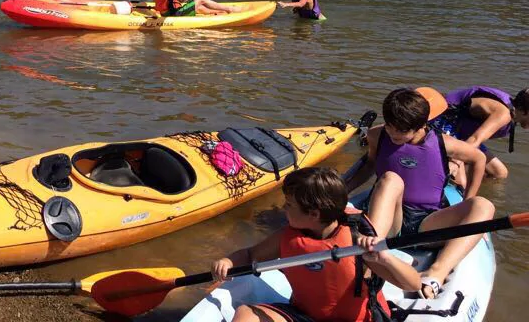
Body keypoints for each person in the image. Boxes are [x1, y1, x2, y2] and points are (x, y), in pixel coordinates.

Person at [211, 167, 421, 322]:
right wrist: (228, 261)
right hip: (306, 316)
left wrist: (385, 258)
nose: (284, 208)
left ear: (313, 214)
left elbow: (413, 284)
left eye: (290, 205)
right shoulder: (288, 237)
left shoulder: (356, 241)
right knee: (245, 315)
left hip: (354, 320)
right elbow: (249, 255)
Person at [348, 88, 494, 298]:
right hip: (390, 220)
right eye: (390, 127)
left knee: (484, 205)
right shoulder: (377, 135)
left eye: (401, 130)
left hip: (427, 222)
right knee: (390, 179)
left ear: (421, 125)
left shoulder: (444, 143)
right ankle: (372, 253)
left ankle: (437, 271)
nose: (393, 134)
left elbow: (478, 159)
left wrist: (467, 199)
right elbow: (370, 165)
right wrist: (345, 191)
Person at [435, 86, 529, 186]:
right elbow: (475, 139)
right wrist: (456, 162)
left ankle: (472, 185)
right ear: (524, 111)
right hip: (443, 121)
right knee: (461, 184)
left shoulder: (512, 113)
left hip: (463, 134)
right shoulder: (503, 114)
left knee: (499, 173)